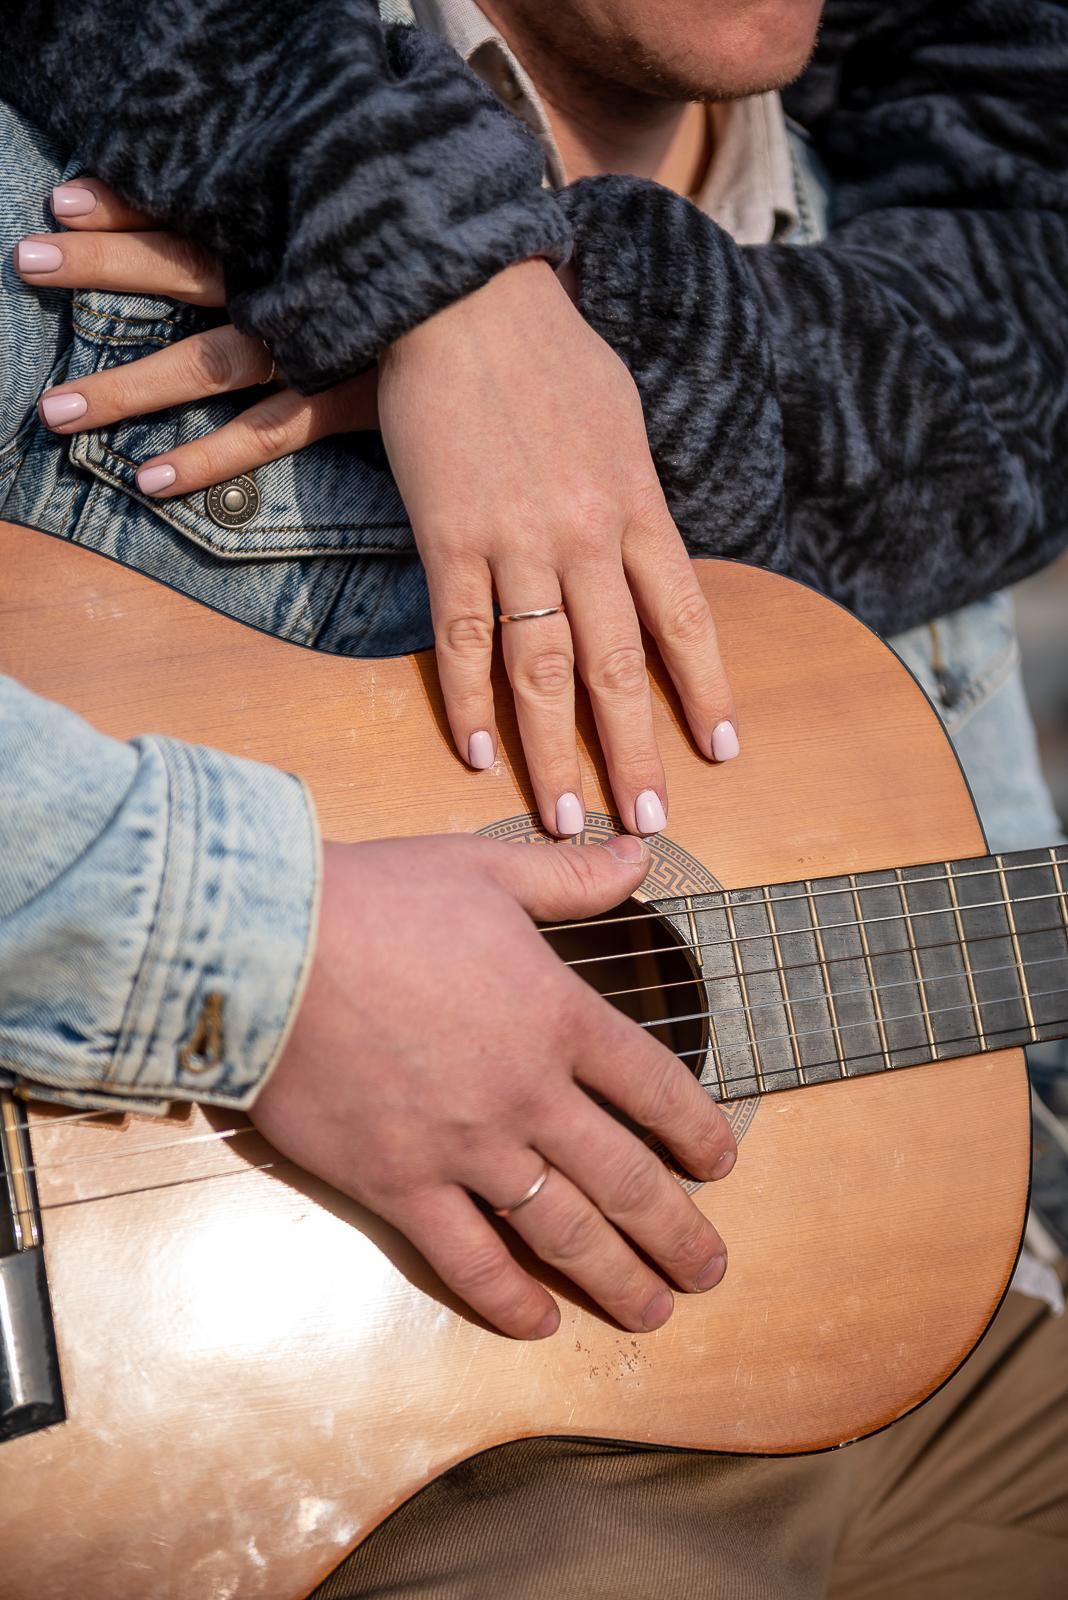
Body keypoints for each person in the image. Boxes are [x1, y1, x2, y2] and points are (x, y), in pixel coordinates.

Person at [2, 0, 1067, 1593]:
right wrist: (271, 961)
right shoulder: (73, 185)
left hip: (894, 1363)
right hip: (314, 1469)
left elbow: (984, 983)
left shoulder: (896, 294)